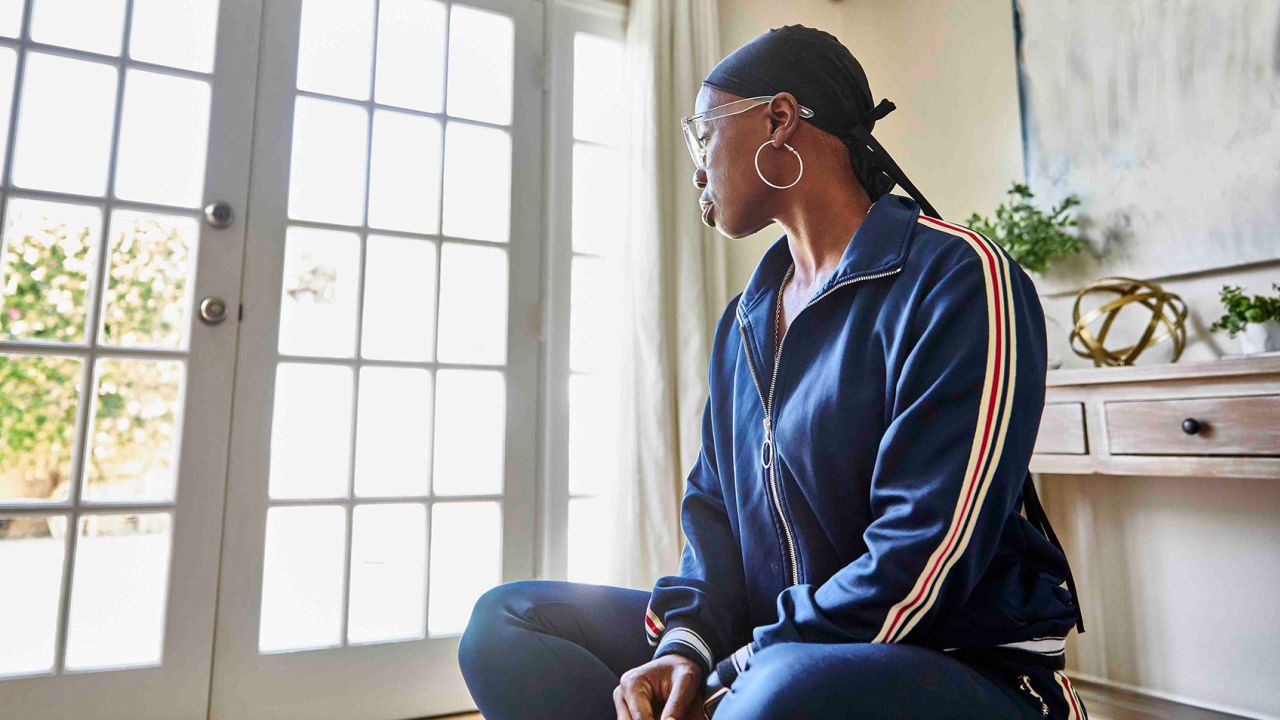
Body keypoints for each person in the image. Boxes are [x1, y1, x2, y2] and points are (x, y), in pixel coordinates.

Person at [458, 24, 1088, 720]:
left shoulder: (960, 278)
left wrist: (737, 671)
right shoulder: (745, 322)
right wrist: (686, 649)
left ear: (779, 120)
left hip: (950, 664)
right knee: (506, 623)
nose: (698, 166)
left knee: (778, 694)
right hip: (773, 650)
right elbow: (713, 518)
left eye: (705, 134)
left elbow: (925, 559)